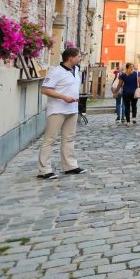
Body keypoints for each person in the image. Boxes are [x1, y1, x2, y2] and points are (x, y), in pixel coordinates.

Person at [37, 46, 85, 179]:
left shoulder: (76, 70)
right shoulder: (56, 72)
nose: (81, 58)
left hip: (72, 109)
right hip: (58, 110)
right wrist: (64, 97)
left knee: (69, 138)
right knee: (50, 139)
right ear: (71, 58)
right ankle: (44, 170)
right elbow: (45, 89)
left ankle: (70, 166)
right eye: (79, 56)